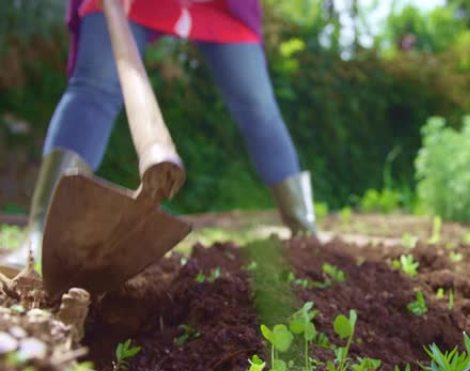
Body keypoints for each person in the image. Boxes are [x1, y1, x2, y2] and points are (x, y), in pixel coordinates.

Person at [0, 0, 317, 274]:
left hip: (219, 6)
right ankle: (41, 234)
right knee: (94, 87)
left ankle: (304, 230)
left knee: (257, 105)